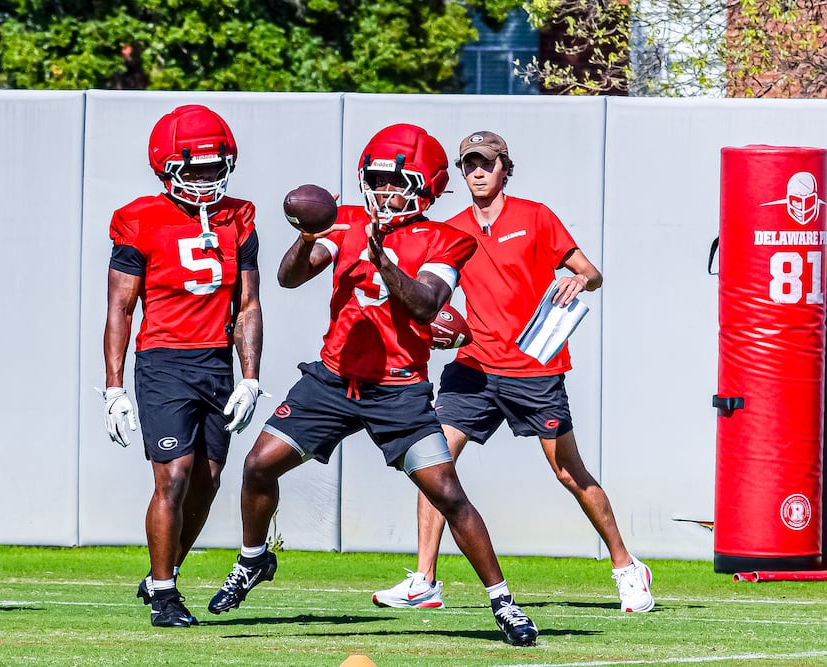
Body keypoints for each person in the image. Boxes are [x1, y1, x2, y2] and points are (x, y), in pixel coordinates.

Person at [208, 124, 539, 647]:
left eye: (398, 182)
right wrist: (308, 234)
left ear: (427, 187)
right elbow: (288, 277)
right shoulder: (348, 224)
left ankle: (504, 604)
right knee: (257, 464)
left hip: (399, 390)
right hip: (333, 379)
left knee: (449, 494)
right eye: (379, 181)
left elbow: (428, 303)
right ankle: (252, 560)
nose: (386, 192)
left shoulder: (446, 238)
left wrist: (382, 259)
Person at [371, 130, 654, 614]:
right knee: (431, 467)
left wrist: (578, 278)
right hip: (473, 369)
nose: (477, 171)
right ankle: (424, 580)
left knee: (568, 471)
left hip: (534, 368)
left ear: (505, 167)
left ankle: (627, 566)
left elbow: (592, 273)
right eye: (469, 164)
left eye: (487, 162)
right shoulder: (451, 228)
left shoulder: (536, 217)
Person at [101, 104, 264, 628]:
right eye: (192, 167)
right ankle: (166, 595)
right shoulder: (138, 218)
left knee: (209, 479)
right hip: (163, 360)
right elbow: (120, 309)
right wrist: (113, 387)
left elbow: (249, 305)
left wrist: (251, 377)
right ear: (166, 165)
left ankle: (161, 572)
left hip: (216, 361)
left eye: (214, 167)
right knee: (172, 475)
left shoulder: (240, 217)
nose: (204, 178)